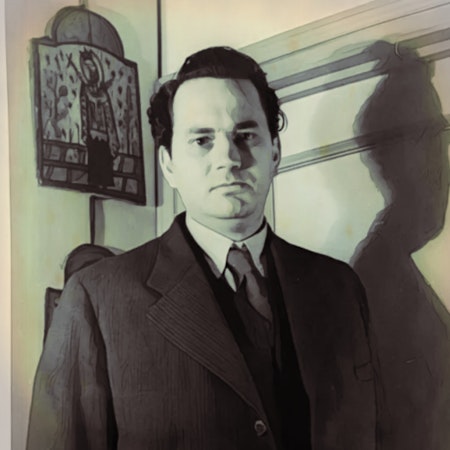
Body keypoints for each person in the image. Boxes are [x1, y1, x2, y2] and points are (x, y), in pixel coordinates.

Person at [27, 46, 377, 450]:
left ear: (275, 153)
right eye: (202, 140)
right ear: (169, 165)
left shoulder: (341, 287)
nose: (228, 159)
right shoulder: (96, 298)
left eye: (246, 136)